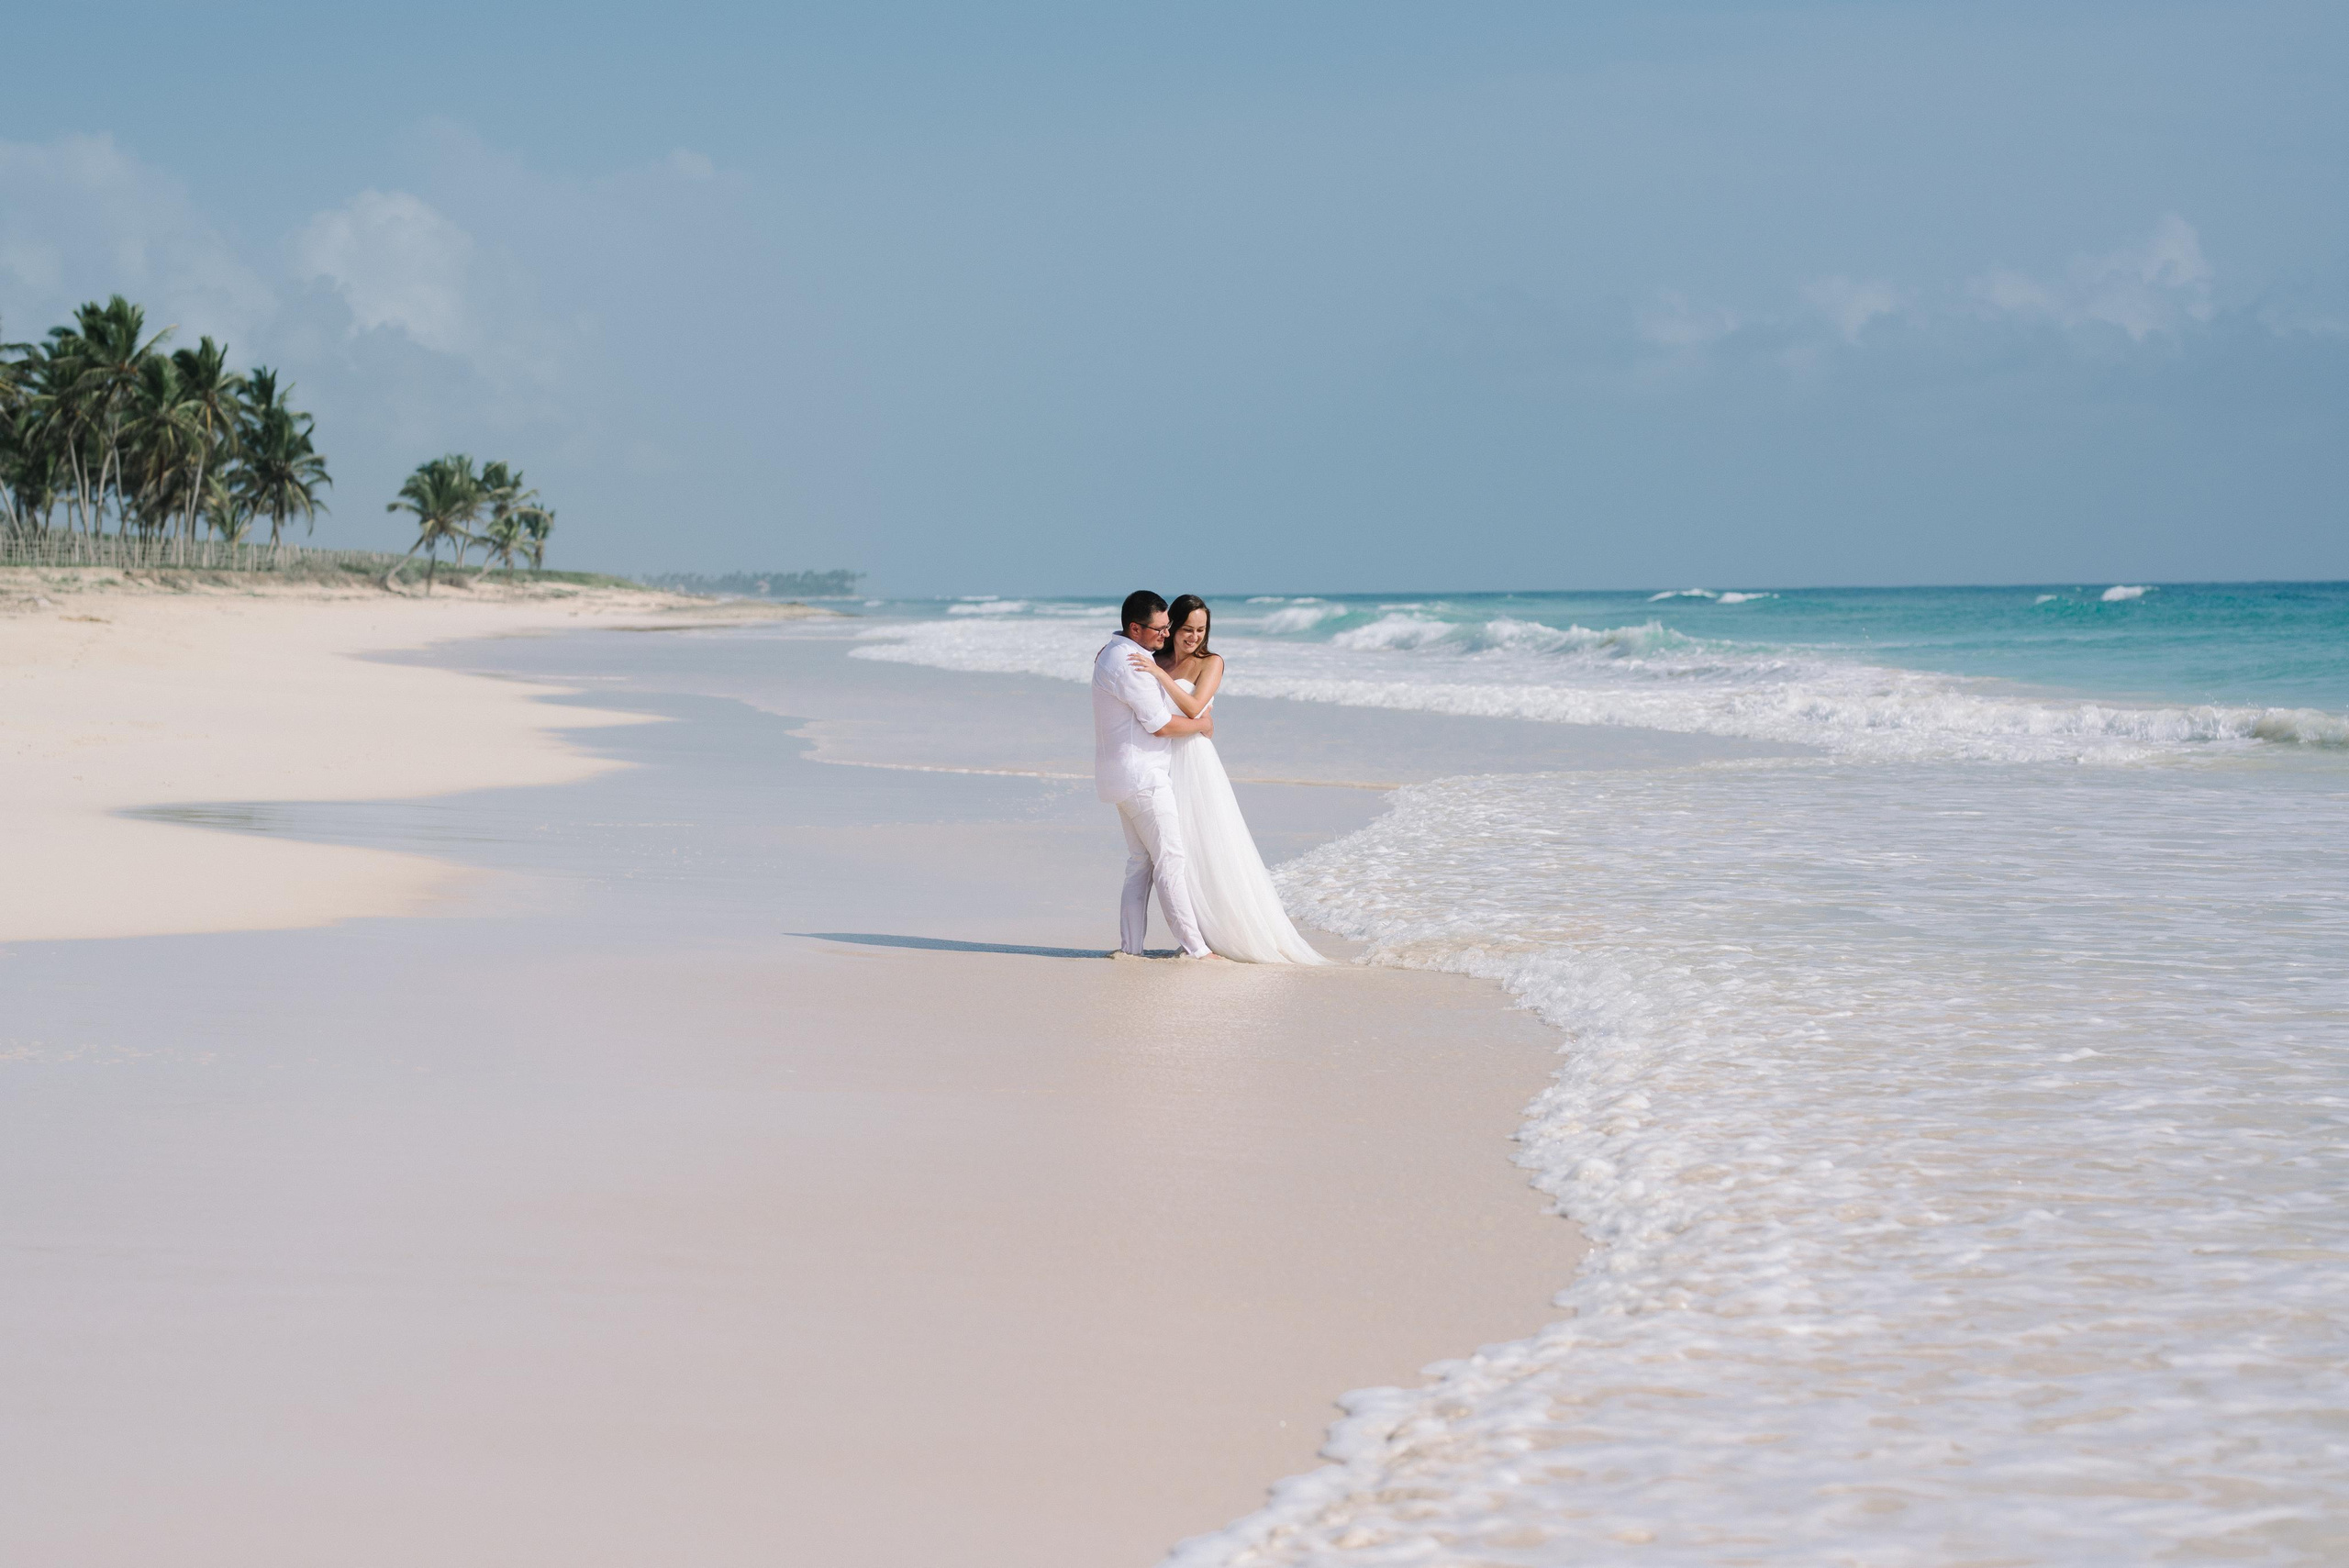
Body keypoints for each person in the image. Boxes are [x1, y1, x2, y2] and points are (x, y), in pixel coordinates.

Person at [1128, 595, 1328, 964]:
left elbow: (1193, 708)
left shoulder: (1211, 662)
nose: (1194, 637)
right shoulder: (1157, 658)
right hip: (1160, 760)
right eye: (1187, 629)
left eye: (1201, 630)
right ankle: (1195, 936)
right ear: (1172, 627)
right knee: (1176, 851)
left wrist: (1161, 678)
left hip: (1195, 762)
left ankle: (1221, 934)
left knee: (1207, 844)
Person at [1092, 590, 1220, 960]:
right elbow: (1161, 725)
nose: (1166, 634)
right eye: (1160, 629)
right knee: (1171, 860)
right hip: (1143, 777)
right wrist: (1203, 724)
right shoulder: (1130, 663)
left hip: (1121, 776)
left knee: (1140, 864)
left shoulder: (1115, 653)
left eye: (1168, 627)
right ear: (1135, 628)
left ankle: (1131, 948)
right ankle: (1197, 950)